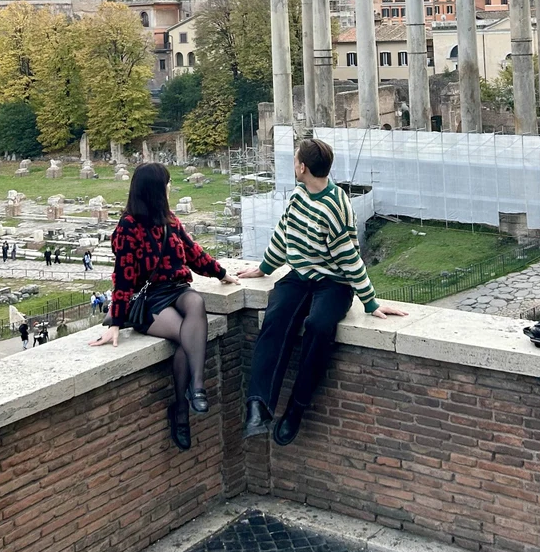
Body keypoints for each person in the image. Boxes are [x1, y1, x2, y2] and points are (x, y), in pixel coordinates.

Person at [237, 137, 408, 446]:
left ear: (303, 167)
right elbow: (283, 233)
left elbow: (349, 258)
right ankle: (258, 405)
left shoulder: (335, 205)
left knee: (318, 327)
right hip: (300, 275)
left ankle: (296, 408)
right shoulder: (298, 196)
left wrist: (369, 302)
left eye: (294, 161)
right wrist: (263, 268)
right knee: (275, 318)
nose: (293, 165)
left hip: (335, 282)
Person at [89, 162, 237, 451]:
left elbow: (194, 253)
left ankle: (195, 388)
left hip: (177, 289)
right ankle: (182, 407)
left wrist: (221, 273)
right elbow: (123, 277)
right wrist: (116, 322)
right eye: (167, 183)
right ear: (156, 189)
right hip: (150, 299)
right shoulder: (128, 227)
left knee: (195, 301)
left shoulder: (170, 220)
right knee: (186, 337)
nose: (171, 187)